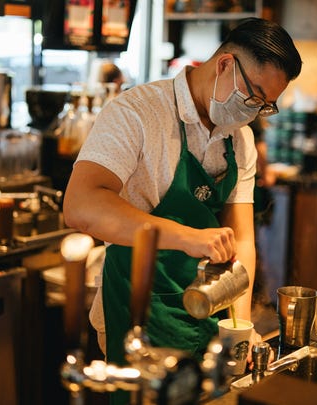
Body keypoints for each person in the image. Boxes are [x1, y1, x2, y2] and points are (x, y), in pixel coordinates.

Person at [63, 17, 302, 399]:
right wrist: (188, 238)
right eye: (254, 96)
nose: (254, 112)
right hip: (137, 312)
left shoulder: (239, 140)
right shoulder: (137, 112)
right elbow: (80, 205)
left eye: (265, 106)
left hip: (205, 314)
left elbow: (241, 241)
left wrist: (239, 326)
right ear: (225, 64)